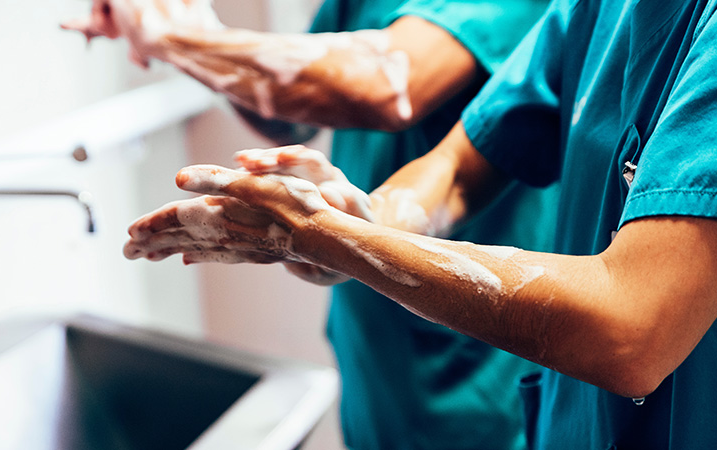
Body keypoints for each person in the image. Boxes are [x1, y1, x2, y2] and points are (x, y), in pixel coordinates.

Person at [124, 0, 717, 448]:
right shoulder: (599, 9)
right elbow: (458, 167)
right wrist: (362, 217)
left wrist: (333, 238)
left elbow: (630, 333)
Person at [64, 1, 554, 448]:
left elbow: (384, 82)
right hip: (372, 344)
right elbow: (290, 116)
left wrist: (171, 35)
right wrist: (197, 34)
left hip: (468, 368)